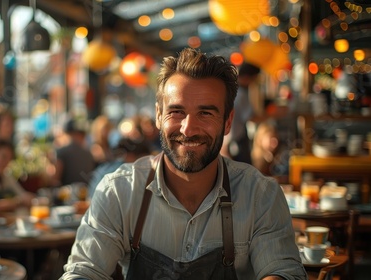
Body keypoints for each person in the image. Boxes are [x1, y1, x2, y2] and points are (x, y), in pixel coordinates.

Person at [61, 48, 306, 279]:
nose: (188, 129)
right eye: (176, 111)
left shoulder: (260, 195)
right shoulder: (119, 191)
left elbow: (283, 270)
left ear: (228, 122)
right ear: (159, 115)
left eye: (206, 113)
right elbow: (84, 271)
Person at [220, 62, 260, 164]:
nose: (254, 83)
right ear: (247, 77)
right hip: (237, 139)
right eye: (254, 79)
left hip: (228, 139)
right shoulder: (241, 94)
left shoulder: (230, 91)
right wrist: (272, 114)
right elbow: (251, 117)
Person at [88, 137, 152, 199]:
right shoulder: (124, 175)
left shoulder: (104, 168)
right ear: (130, 156)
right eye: (144, 161)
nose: (147, 165)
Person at [50, 117, 95, 187]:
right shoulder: (89, 154)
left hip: (66, 195)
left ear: (67, 134)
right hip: (86, 194)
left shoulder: (61, 152)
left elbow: (54, 179)